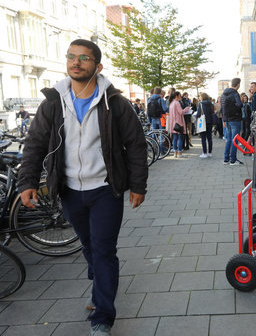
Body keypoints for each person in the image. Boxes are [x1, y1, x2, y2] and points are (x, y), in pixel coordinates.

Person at [17, 39, 148, 336]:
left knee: (103, 250)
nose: (76, 62)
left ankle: (102, 313)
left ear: (97, 66)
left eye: (84, 58)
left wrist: (138, 185)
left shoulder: (114, 102)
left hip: (105, 188)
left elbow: (136, 145)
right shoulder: (53, 101)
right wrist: (27, 181)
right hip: (69, 190)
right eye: (72, 57)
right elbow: (35, 143)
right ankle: (102, 282)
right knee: (88, 246)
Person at [221, 78, 243, 165]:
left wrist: (224, 120)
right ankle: (233, 160)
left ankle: (226, 159)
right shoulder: (235, 93)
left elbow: (223, 108)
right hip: (235, 119)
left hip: (227, 120)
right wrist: (235, 107)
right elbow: (240, 104)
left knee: (229, 139)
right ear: (238, 84)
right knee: (235, 140)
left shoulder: (223, 94)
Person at [169, 91, 190, 158]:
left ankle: (175, 152)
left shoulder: (171, 103)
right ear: (176, 96)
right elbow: (181, 112)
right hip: (179, 122)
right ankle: (179, 153)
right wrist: (186, 109)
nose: (180, 97)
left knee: (175, 138)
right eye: (180, 95)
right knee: (180, 137)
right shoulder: (177, 103)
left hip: (173, 123)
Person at [196, 92, 214, 158]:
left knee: (203, 138)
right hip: (210, 122)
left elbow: (198, 114)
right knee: (209, 138)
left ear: (202, 97)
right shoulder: (211, 103)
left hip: (203, 122)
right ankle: (210, 152)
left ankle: (204, 153)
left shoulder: (200, 104)